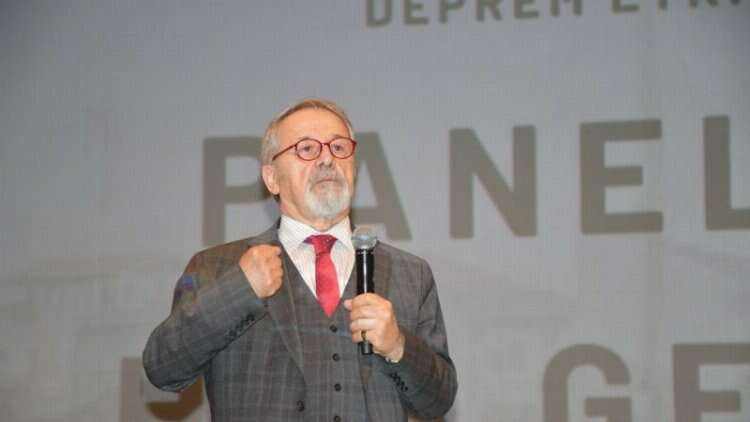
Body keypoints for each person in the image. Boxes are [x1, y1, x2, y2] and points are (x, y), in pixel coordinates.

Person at [143, 98, 457, 422]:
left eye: (339, 147)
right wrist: (239, 289)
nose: (327, 159)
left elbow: (439, 400)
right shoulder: (215, 267)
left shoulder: (410, 274)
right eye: (306, 149)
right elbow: (163, 369)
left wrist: (398, 347)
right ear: (272, 178)